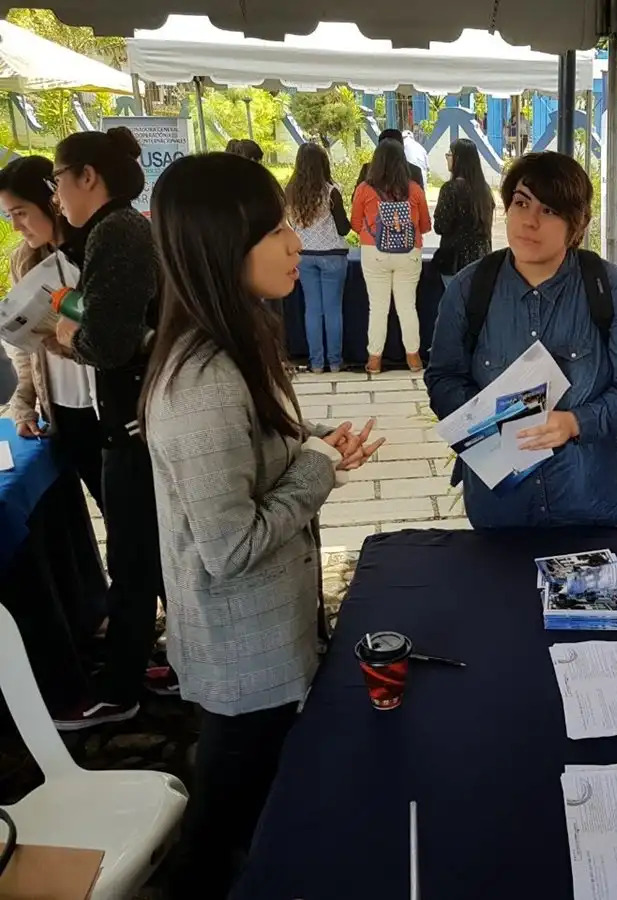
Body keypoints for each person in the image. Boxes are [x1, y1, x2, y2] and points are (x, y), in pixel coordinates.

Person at [141, 152, 384, 900]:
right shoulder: (203, 379)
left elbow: (257, 446)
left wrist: (310, 438)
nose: (293, 243)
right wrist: (316, 467)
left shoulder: (237, 339)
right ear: (220, 246)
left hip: (266, 636)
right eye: (273, 229)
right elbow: (231, 546)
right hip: (244, 654)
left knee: (251, 803)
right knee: (225, 824)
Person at [426, 151, 617, 529]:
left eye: (549, 210)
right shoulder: (471, 288)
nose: (530, 221)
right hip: (500, 511)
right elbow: (443, 379)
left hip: (592, 503)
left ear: (577, 223)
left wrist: (575, 422)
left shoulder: (607, 288)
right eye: (521, 203)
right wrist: (492, 421)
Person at [45, 127, 165, 730]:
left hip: (135, 425)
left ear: (87, 175)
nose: (55, 196)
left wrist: (70, 335)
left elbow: (111, 342)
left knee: (133, 558)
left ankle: (121, 690)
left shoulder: (116, 232)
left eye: (56, 181)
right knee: (149, 555)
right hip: (137, 419)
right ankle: (158, 665)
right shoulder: (119, 229)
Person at [0, 156, 102, 506]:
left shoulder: (97, 249)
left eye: (21, 212)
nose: (15, 226)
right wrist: (23, 404)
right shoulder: (23, 261)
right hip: (63, 407)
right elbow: (21, 345)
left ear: (52, 201)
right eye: (8, 215)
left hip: (111, 406)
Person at [351, 137, 431, 374]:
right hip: (409, 253)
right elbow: (425, 225)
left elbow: (355, 224)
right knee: (407, 306)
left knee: (377, 307)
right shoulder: (414, 190)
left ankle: (374, 360)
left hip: (373, 252)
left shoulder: (364, 190)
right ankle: (414, 359)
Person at [286, 142, 352, 374]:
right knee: (333, 310)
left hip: (304, 255)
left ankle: (316, 363)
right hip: (333, 255)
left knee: (312, 309)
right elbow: (343, 229)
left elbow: (290, 224)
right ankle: (334, 362)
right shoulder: (331, 190)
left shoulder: (291, 191)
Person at [433, 138, 494, 287]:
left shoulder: (450, 189)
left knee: (455, 307)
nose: (447, 158)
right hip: (480, 260)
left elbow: (440, 226)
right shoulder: (484, 190)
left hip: (454, 261)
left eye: (449, 154)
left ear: (457, 158)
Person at [356, 128, 424, 191]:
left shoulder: (367, 170)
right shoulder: (414, 171)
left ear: (379, 149)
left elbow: (356, 199)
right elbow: (420, 201)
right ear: (402, 148)